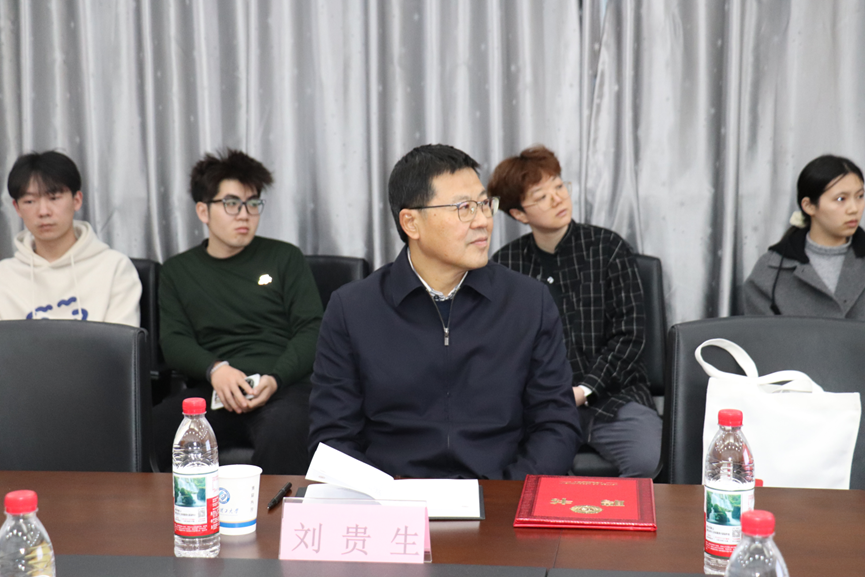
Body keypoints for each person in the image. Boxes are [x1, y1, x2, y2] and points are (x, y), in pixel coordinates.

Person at [309, 144, 580, 480]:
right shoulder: (352, 309)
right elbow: (333, 436)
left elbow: (556, 424)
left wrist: (507, 496)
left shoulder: (528, 302)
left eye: (484, 204)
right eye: (464, 208)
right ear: (411, 223)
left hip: (500, 495)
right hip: (393, 497)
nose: (483, 221)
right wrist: (383, 496)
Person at [489, 145, 661, 478]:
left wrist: (583, 390)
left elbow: (629, 337)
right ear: (519, 215)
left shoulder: (608, 248)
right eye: (541, 196)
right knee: (524, 473)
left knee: (649, 459)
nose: (558, 199)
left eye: (559, 186)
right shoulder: (505, 266)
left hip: (614, 398)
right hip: (540, 410)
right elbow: (500, 348)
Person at [153, 149, 322, 474]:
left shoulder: (285, 258)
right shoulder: (178, 271)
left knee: (285, 429)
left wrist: (276, 378)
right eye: (231, 203)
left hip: (284, 387)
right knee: (156, 428)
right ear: (203, 210)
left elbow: (312, 327)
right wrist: (215, 369)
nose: (244, 215)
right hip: (216, 390)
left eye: (253, 203)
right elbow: (174, 340)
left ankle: (279, 509)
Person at [0, 151, 141, 326]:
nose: (43, 211)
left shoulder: (114, 268)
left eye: (54, 198)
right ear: (17, 208)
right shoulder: (4, 276)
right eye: (30, 201)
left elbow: (121, 341)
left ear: (77, 200)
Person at [744, 154, 865, 318]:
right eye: (840, 199)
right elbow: (760, 333)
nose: (854, 209)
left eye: (860, 196)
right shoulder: (770, 271)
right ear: (809, 206)